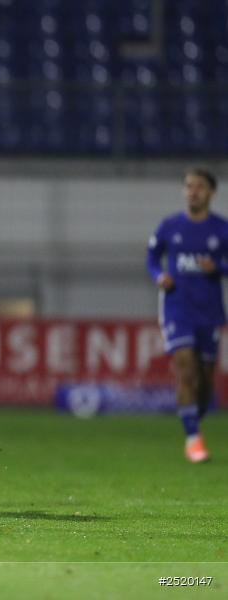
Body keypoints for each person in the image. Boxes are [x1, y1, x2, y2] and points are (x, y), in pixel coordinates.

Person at [146, 167, 227, 463]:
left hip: (209, 311)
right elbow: (152, 257)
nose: (193, 191)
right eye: (189, 186)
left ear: (211, 192)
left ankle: (194, 419)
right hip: (176, 308)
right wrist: (158, 276)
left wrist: (218, 269)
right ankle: (193, 441)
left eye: (199, 187)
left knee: (204, 383)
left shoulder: (221, 229)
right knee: (186, 369)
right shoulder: (170, 226)